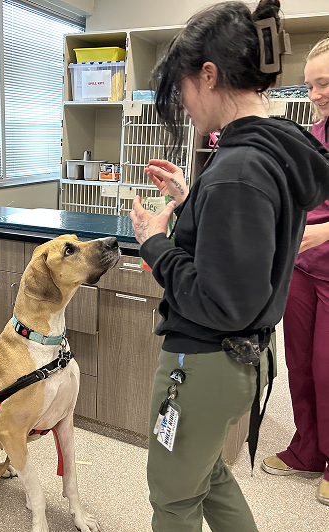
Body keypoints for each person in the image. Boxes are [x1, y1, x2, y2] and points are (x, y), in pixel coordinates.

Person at [128, 1, 329, 531]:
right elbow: (242, 244)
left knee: (173, 497)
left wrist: (154, 242)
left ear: (209, 75)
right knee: (207, 474)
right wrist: (193, 199)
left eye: (184, 87)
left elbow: (220, 300)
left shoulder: (239, 168)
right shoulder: (272, 148)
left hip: (204, 361)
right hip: (241, 359)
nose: (184, 105)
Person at [261, 38, 329, 505]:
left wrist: (325, 233)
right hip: (301, 268)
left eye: (324, 82)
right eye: (309, 84)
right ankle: (308, 450)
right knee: (300, 365)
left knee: (328, 370)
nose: (314, 93)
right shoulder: (316, 133)